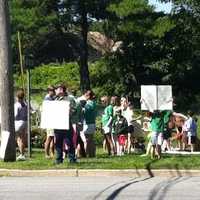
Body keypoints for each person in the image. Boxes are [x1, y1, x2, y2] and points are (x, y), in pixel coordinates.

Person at [54, 84, 77, 164]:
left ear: (61, 90)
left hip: (66, 123)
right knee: (58, 143)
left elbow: (74, 110)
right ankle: (59, 159)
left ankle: (72, 159)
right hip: (57, 124)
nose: (55, 91)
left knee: (69, 142)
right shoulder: (55, 100)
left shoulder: (69, 99)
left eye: (56, 89)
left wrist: (69, 111)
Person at [82, 90, 97, 157]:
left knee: (86, 140)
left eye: (85, 95)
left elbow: (84, 113)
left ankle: (86, 153)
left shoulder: (88, 104)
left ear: (88, 96)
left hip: (87, 123)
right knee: (91, 139)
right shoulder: (94, 103)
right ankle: (92, 154)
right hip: (93, 123)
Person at [14, 89, 27, 161]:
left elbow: (15, 115)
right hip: (25, 122)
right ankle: (23, 154)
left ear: (17, 97)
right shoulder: (25, 104)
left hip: (18, 123)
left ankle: (21, 154)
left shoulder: (17, 105)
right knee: (23, 139)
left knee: (19, 139)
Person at [44, 85, 55, 159]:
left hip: (53, 120)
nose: (53, 91)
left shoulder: (52, 98)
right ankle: (46, 153)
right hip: (49, 120)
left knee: (53, 137)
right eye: (52, 90)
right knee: (49, 137)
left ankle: (52, 153)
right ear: (49, 91)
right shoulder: (47, 98)